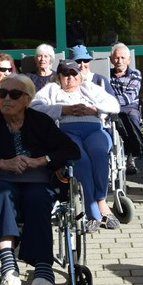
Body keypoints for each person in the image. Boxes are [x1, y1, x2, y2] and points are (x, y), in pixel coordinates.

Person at [0, 74, 80, 285]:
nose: (6, 99)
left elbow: (71, 150)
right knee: (2, 194)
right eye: (1, 93)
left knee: (38, 198)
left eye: (14, 94)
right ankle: (8, 267)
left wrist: (40, 160)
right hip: (1, 180)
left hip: (37, 181)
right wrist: (1, 162)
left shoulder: (40, 121)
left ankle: (44, 274)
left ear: (27, 99)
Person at [31, 59, 121, 231]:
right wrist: (62, 110)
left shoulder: (89, 88)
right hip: (67, 132)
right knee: (81, 161)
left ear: (80, 76)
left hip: (95, 130)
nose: (70, 78)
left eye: (73, 73)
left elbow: (114, 105)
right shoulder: (52, 89)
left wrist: (95, 109)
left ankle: (101, 201)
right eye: (65, 74)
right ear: (59, 77)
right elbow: (34, 107)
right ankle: (92, 211)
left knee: (99, 154)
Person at [108, 42, 143, 175]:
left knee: (132, 117)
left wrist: (109, 100)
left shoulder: (135, 74)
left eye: (123, 58)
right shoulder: (107, 74)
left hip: (129, 107)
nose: (119, 61)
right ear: (111, 59)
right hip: (110, 108)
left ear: (129, 60)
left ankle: (131, 157)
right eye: (116, 58)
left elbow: (129, 96)